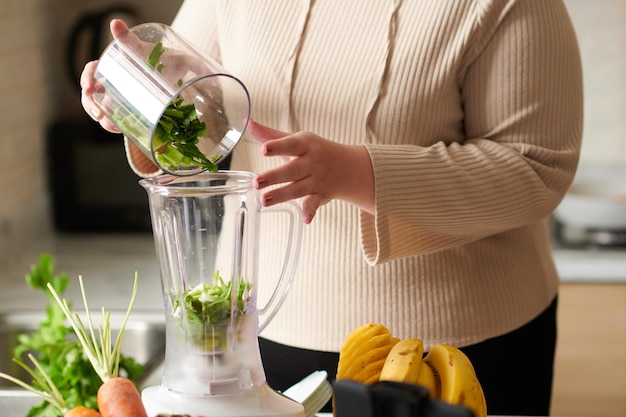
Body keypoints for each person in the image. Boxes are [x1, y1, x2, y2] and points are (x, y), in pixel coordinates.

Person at [80, 1, 583, 415]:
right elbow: (200, 118)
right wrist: (140, 100)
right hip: (256, 339)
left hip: (450, 348)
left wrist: (353, 172)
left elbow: (537, 169)